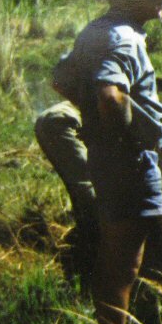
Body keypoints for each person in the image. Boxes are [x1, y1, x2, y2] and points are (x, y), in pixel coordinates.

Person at [56, 0, 162, 324]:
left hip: (109, 161)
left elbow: (61, 77)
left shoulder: (97, 30)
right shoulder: (124, 38)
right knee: (124, 266)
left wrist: (92, 119)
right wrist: (125, 137)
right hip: (130, 163)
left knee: (116, 260)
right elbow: (112, 96)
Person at [34, 101, 98, 280]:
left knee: (81, 190)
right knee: (88, 189)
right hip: (63, 121)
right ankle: (88, 263)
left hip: (55, 118)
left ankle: (83, 250)